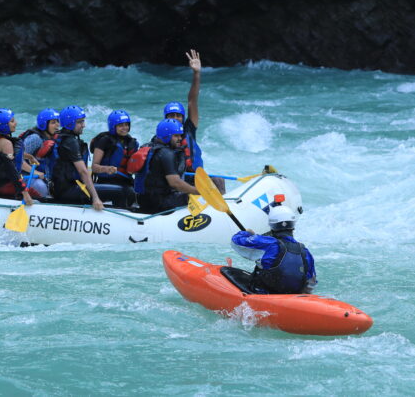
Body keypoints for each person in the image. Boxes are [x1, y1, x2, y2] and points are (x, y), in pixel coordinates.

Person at [164, 49, 225, 192]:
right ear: (166, 118)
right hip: (178, 180)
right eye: (171, 115)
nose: (175, 118)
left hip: (195, 177)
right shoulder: (162, 136)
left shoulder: (189, 130)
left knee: (218, 181)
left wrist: (196, 74)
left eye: (178, 115)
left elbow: (192, 101)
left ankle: (222, 210)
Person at [230, 199, 317, 294]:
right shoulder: (305, 251)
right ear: (293, 225)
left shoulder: (267, 243)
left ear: (272, 225)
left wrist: (247, 233)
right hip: (291, 299)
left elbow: (235, 241)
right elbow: (310, 283)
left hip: (263, 294)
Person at [134, 118, 199, 213]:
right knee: (195, 197)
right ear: (166, 136)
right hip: (160, 203)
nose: (180, 139)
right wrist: (197, 191)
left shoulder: (148, 147)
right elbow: (175, 183)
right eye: (176, 136)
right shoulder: (166, 153)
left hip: (143, 199)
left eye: (180, 135)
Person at [50, 105, 104, 211]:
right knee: (123, 192)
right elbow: (83, 171)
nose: (83, 125)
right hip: (68, 190)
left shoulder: (60, 136)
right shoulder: (70, 142)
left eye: (83, 121)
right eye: (80, 122)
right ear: (70, 123)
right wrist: (95, 198)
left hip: (59, 188)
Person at [0, 108, 36, 205]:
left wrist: (29, 157)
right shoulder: (6, 143)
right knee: (38, 194)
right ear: (3, 125)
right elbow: (11, 169)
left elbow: (0, 157)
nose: (16, 123)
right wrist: (25, 192)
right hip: (2, 186)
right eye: (12, 121)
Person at [88, 110, 138, 208]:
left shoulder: (131, 142)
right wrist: (106, 169)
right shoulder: (104, 140)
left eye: (126, 125)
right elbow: (94, 167)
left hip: (125, 181)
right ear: (113, 126)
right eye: (120, 125)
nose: (125, 128)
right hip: (106, 182)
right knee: (126, 193)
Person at [18, 108, 60, 198]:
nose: (57, 125)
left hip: (42, 176)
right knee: (42, 188)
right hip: (26, 176)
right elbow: (17, 158)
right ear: (44, 125)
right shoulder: (35, 138)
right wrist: (35, 172)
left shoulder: (54, 137)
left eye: (57, 121)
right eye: (53, 122)